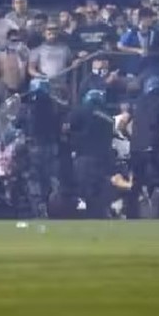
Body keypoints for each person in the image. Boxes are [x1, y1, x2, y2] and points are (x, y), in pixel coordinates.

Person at [127, 76, 159, 219]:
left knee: (135, 183)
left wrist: (133, 139)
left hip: (136, 149)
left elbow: (125, 124)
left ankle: (131, 214)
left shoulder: (137, 103)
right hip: (154, 147)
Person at [15, 78, 63, 218]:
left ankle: (40, 209)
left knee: (34, 178)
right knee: (51, 179)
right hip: (52, 146)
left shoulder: (27, 107)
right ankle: (54, 207)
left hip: (34, 145)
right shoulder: (55, 106)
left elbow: (17, 123)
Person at [66, 89, 114, 219]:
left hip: (84, 157)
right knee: (98, 193)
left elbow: (67, 127)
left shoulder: (82, 110)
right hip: (103, 160)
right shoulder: (108, 118)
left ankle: (81, 218)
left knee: (82, 192)